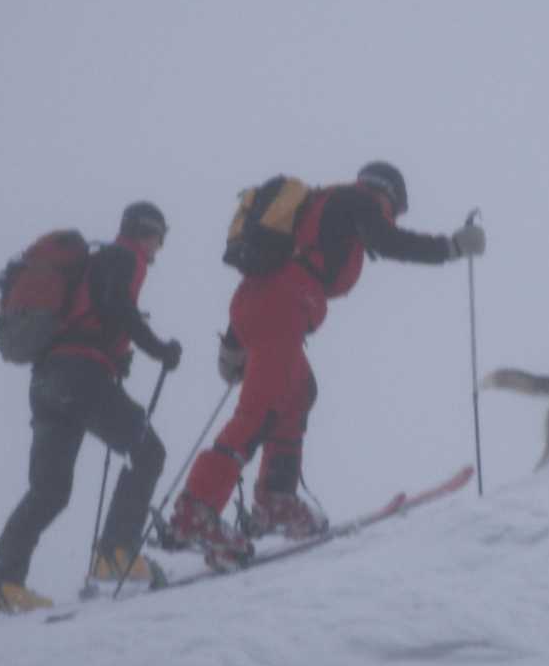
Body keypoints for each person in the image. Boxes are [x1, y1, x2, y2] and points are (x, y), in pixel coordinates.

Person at [169, 161, 485, 569]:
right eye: (397, 207)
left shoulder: (317, 204)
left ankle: (275, 500)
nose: (392, 214)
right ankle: (196, 510)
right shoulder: (361, 200)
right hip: (283, 306)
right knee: (260, 410)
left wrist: (233, 345)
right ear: (390, 193)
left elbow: (267, 271)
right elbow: (387, 241)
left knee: (297, 392)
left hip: (261, 304)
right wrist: (451, 247)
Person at [0, 201, 184, 614]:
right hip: (79, 376)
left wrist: (114, 353)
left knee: (49, 490)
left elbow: (95, 315)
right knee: (148, 451)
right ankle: (116, 552)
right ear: (145, 233)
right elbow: (117, 307)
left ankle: (0, 586)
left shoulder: (95, 264)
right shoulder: (123, 256)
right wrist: (158, 349)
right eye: (158, 237)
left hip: (48, 381)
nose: (158, 249)